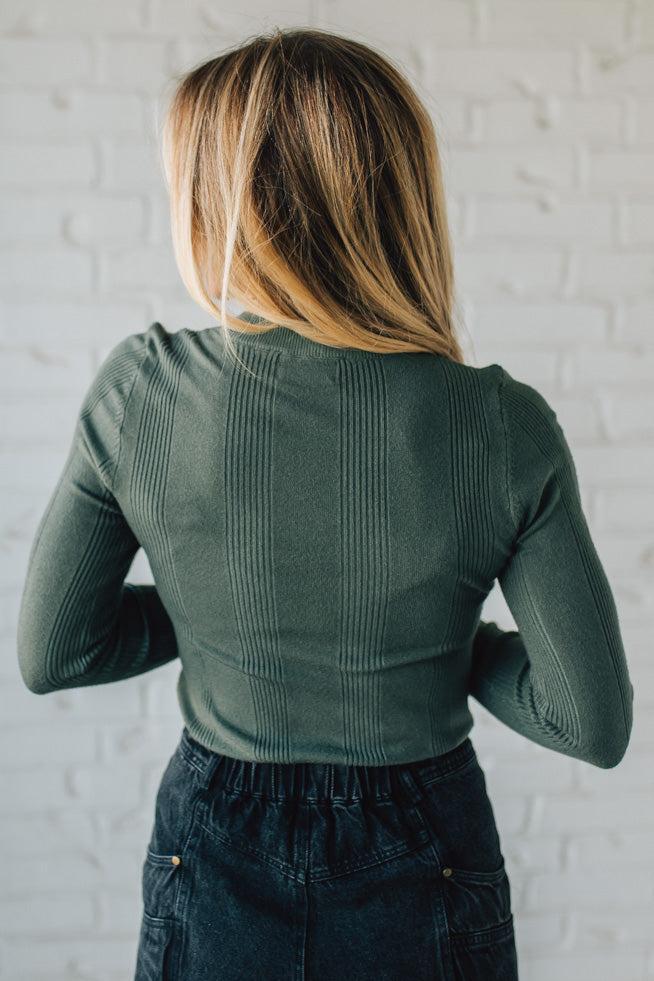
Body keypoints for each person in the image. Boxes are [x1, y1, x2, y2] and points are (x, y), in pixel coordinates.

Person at [16, 27, 633, 981]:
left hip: (216, 840)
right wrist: (434, 640)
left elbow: (59, 650)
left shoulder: (141, 393)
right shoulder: (503, 424)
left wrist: (214, 612)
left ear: (224, 208)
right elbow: (587, 720)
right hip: (426, 840)